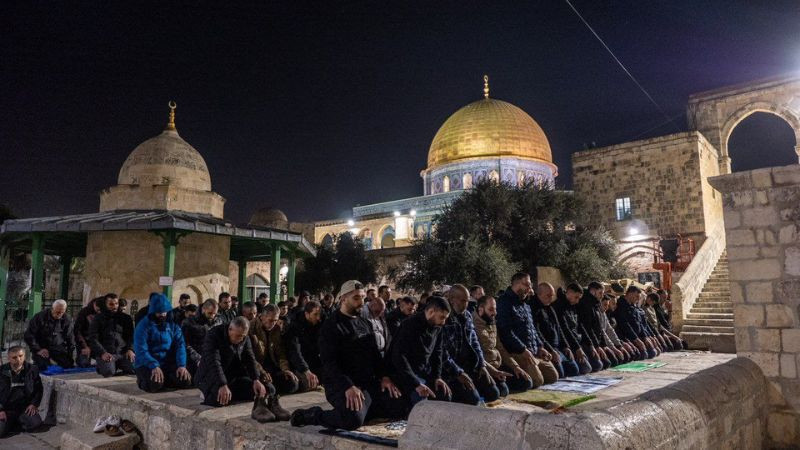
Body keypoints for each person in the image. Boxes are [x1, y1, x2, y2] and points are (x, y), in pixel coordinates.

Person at [290, 280, 404, 430]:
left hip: (367, 384)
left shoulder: (365, 323)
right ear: (343, 299)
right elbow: (329, 363)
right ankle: (312, 415)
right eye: (356, 298)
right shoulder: (331, 326)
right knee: (353, 419)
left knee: (401, 405)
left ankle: (366, 409)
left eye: (363, 298)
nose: (361, 302)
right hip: (341, 385)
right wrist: (348, 386)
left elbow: (375, 355)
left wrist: (385, 377)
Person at [196, 317, 289, 421]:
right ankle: (209, 393)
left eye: (242, 336)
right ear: (230, 329)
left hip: (234, 377)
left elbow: (250, 359)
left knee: (268, 389)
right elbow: (214, 362)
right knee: (219, 400)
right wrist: (222, 384)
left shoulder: (244, 338)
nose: (240, 339)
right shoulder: (214, 335)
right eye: (237, 336)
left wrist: (256, 379)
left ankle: (262, 406)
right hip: (211, 376)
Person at [388, 296, 453, 409]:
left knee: (444, 395)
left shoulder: (437, 327)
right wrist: (416, 383)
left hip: (424, 373)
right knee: (421, 404)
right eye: (442, 317)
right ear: (431, 311)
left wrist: (437, 377)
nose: (443, 322)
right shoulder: (409, 325)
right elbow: (399, 357)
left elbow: (437, 352)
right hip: (406, 375)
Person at [496, 273, 559, 388]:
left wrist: (540, 347)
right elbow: (506, 332)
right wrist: (522, 349)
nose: (529, 289)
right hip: (517, 352)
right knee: (537, 381)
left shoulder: (525, 303)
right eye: (527, 285)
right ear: (517, 284)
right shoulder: (504, 303)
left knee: (553, 376)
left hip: (532, 351)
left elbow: (532, 329)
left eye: (530, 285)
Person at [442, 285, 500, 405]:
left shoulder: (467, 316)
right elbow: (442, 353)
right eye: (463, 301)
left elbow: (474, 342)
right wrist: (458, 373)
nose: (466, 304)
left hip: (470, 365)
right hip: (452, 370)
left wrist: (481, 365)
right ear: (452, 300)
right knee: (473, 400)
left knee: (495, 392)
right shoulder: (444, 318)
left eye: (467, 301)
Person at [473, 296, 533, 396]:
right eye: (491, 309)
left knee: (526, 382)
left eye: (495, 309)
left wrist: (515, 366)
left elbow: (500, 348)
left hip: (498, 365)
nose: (495, 313)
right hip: (485, 368)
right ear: (481, 310)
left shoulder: (491, 322)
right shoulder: (473, 325)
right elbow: (476, 355)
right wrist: (493, 371)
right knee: (497, 392)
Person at [133, 293, 192, 393]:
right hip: (146, 363)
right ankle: (142, 380)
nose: (162, 315)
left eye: (164, 312)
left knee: (185, 381)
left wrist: (181, 365)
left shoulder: (173, 325)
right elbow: (141, 349)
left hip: (166, 362)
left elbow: (180, 345)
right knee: (155, 385)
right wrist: (153, 365)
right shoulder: (143, 326)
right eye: (159, 312)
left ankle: (165, 379)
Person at [530, 283, 586, 377]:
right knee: (560, 373)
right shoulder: (534, 308)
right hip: (548, 349)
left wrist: (566, 346)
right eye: (548, 296)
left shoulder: (550, 308)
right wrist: (551, 350)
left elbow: (559, 328)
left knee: (574, 370)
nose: (550, 298)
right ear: (539, 294)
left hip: (558, 348)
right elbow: (537, 333)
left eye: (552, 296)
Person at [554, 284, 605, 373]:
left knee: (598, 364)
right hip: (568, 344)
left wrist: (591, 345)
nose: (577, 301)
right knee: (584, 368)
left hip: (578, 342)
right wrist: (577, 348)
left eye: (579, 298)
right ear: (569, 292)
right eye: (576, 297)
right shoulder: (559, 307)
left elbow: (581, 327)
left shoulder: (574, 306)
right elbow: (565, 329)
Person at [250, 305, 298, 395]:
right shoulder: (251, 327)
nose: (273, 323)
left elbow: (281, 353)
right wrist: (262, 372)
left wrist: (286, 369)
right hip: (257, 370)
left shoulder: (277, 328)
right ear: (262, 317)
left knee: (293, 383)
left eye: (275, 320)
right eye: (270, 320)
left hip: (273, 368)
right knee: (269, 390)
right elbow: (250, 357)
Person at [88, 294, 135, 377]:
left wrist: (130, 349)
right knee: (108, 372)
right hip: (107, 353)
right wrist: (102, 353)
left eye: (116, 304)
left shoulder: (126, 318)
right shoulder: (98, 319)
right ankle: (103, 366)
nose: (115, 306)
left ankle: (117, 365)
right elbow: (93, 339)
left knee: (136, 368)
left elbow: (131, 336)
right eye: (111, 304)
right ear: (105, 305)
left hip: (122, 352)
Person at [578, 282, 623, 368]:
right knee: (599, 365)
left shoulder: (595, 305)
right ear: (593, 291)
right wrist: (596, 346)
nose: (602, 296)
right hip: (587, 342)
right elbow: (588, 329)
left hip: (597, 342)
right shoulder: (585, 305)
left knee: (617, 359)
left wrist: (606, 345)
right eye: (600, 293)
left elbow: (601, 329)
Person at [0, 347, 42, 437]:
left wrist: (33, 404)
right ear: (8, 358)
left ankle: (15, 422)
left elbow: (39, 389)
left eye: (21, 356)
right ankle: (10, 423)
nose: (18, 359)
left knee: (35, 424)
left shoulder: (32, 369)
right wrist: (0, 410)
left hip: (24, 408)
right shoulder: (2, 371)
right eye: (14, 357)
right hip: (6, 409)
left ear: (24, 356)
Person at [24, 299, 76, 371]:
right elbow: (29, 335)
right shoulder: (40, 317)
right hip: (41, 347)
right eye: (57, 312)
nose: (59, 315)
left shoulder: (67, 319)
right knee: (43, 366)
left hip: (57, 348)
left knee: (68, 364)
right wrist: (38, 349)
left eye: (62, 312)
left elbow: (70, 337)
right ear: (52, 309)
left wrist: (69, 354)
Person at [284, 301, 323, 392]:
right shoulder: (294, 328)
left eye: (319, 314)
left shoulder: (318, 325)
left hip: (313, 361)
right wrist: (306, 370)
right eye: (315, 314)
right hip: (298, 364)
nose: (318, 318)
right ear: (307, 314)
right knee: (307, 383)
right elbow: (295, 352)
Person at [614, 286, 658, 359]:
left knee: (653, 352)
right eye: (636, 296)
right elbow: (625, 325)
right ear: (630, 294)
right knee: (643, 355)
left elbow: (640, 323)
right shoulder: (620, 305)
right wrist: (636, 340)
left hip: (637, 336)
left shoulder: (633, 306)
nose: (638, 299)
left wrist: (645, 337)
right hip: (627, 337)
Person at [182, 298, 221, 377]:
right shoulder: (189, 322)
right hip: (195, 357)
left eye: (215, 314)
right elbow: (185, 344)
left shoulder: (218, 321)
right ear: (203, 309)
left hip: (212, 356)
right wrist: (198, 358)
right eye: (210, 313)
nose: (212, 316)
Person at [599, 295, 635, 363]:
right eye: (605, 305)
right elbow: (603, 333)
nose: (607, 307)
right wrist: (614, 348)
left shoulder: (605, 314)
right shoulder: (599, 313)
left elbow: (610, 330)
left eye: (608, 305)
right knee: (612, 361)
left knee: (629, 356)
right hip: (601, 343)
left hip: (612, 342)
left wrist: (619, 345)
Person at [74, 297, 102, 367]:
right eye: (98, 310)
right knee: (84, 363)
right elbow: (78, 331)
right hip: (86, 342)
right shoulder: (84, 313)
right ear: (95, 304)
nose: (99, 312)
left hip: (98, 343)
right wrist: (85, 346)